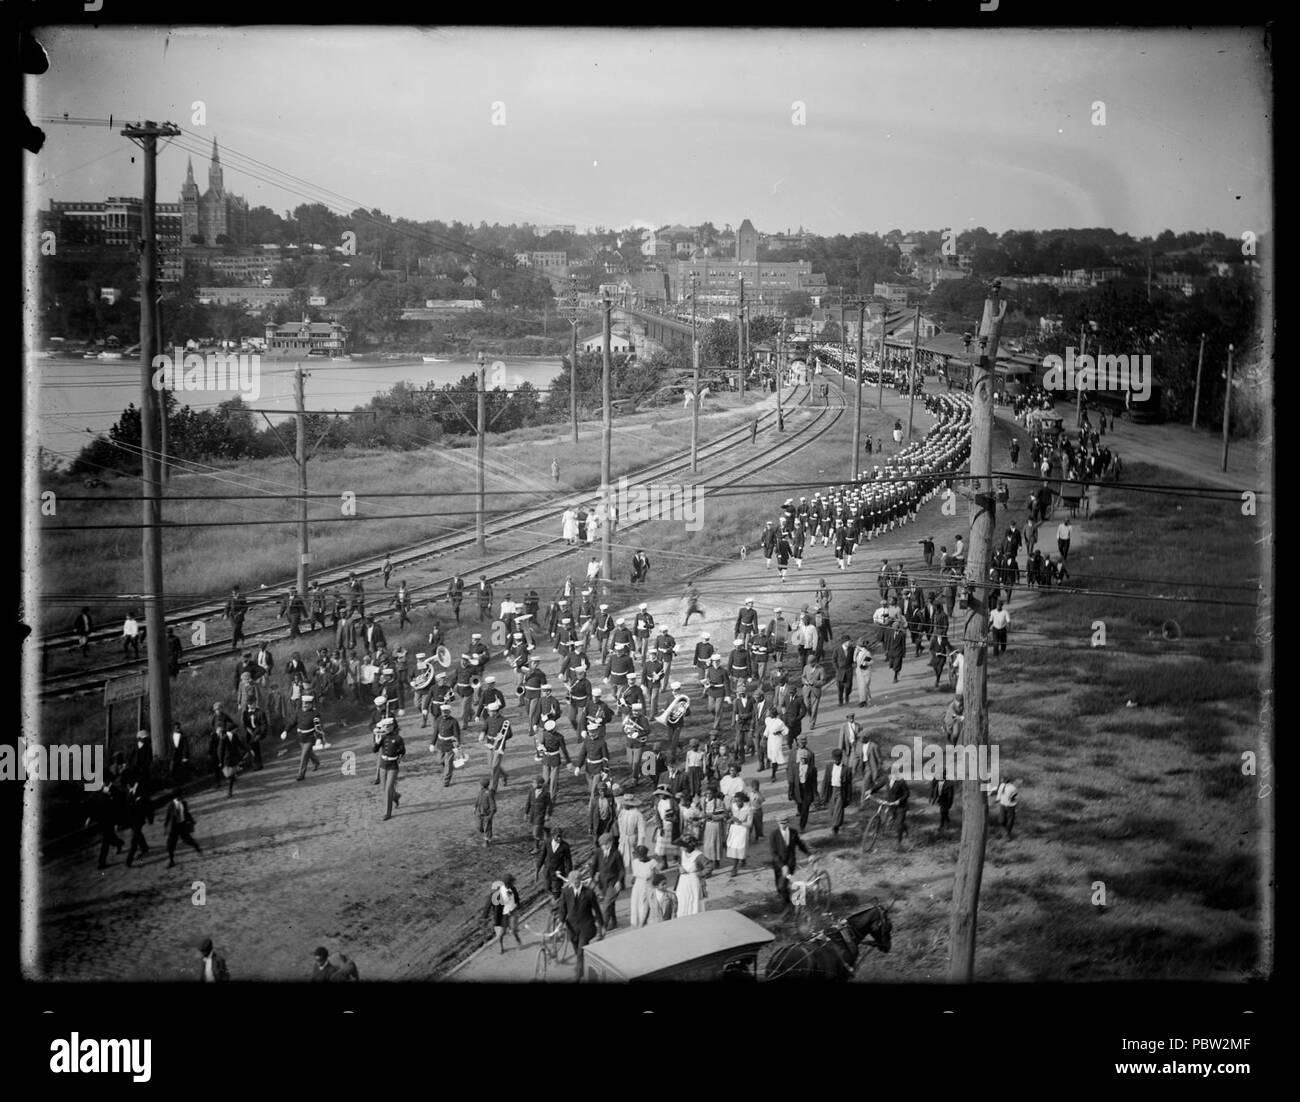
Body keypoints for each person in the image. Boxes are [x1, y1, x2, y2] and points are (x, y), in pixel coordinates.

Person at [557, 869, 605, 980]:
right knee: (577, 950)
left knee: (580, 952)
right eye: (571, 882)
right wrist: (561, 922)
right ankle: (583, 967)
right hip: (572, 927)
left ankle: (578, 976)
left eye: (575, 881)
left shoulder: (589, 893)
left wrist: (601, 926)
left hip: (586, 926)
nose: (573, 884)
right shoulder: (566, 892)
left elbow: (596, 910)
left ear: (580, 881)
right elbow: (563, 909)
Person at [770, 813, 810, 907]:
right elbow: (773, 853)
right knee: (779, 888)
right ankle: (787, 901)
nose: (783, 825)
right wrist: (782, 866)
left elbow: (800, 845)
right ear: (778, 823)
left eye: (785, 823)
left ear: (788, 822)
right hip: (778, 865)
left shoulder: (793, 832)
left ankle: (788, 905)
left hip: (790, 863)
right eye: (781, 823)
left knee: (782, 886)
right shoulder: (773, 835)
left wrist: (809, 854)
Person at [591, 831, 625, 928]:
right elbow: (593, 866)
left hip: (613, 883)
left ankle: (603, 925)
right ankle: (614, 921)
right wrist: (591, 877)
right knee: (610, 902)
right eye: (602, 845)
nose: (603, 847)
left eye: (605, 844)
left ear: (610, 842)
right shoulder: (598, 852)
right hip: (602, 883)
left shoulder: (616, 853)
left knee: (606, 903)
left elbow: (622, 870)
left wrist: (619, 881)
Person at [373, 717, 405, 820]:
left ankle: (387, 813)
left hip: (392, 766)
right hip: (383, 765)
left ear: (392, 727)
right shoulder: (382, 737)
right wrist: (377, 743)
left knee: (388, 789)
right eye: (385, 726)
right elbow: (374, 750)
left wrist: (399, 757)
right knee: (384, 789)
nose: (386, 728)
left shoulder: (398, 738)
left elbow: (402, 751)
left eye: (388, 726)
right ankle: (395, 796)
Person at [484, 875, 523, 953]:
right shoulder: (496, 894)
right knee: (501, 933)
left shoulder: (513, 889)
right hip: (502, 915)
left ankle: (517, 940)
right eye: (512, 882)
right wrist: (484, 916)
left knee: (513, 929)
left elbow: (517, 898)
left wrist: (518, 905)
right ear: (507, 884)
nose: (514, 884)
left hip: (513, 911)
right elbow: (488, 904)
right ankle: (500, 946)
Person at [820, 748, 853, 836]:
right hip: (832, 790)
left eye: (838, 759)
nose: (836, 761)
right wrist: (823, 793)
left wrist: (849, 797)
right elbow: (826, 780)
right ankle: (835, 823)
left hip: (841, 791)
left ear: (841, 758)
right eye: (834, 759)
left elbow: (849, 785)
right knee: (832, 809)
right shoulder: (829, 766)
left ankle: (835, 827)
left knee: (838, 809)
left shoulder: (846, 769)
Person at [163, 793, 201, 868]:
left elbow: (186, 813)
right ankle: (171, 861)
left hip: (182, 826)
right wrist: (166, 826)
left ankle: (196, 846)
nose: (182, 797)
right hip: (174, 828)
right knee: (171, 844)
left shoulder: (184, 803)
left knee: (187, 840)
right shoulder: (171, 805)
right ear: (176, 797)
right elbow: (168, 816)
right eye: (181, 796)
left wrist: (191, 820)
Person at [537, 827, 573, 898]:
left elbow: (568, 861)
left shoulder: (565, 846)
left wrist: (569, 874)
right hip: (547, 871)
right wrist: (538, 868)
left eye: (561, 836)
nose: (559, 839)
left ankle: (558, 902)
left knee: (556, 891)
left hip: (558, 872)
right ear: (553, 836)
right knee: (547, 888)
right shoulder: (547, 843)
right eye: (558, 836)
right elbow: (542, 856)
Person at [628, 845, 657, 927]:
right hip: (637, 885)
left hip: (647, 884)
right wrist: (633, 879)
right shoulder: (635, 862)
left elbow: (656, 874)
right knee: (635, 902)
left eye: (640, 855)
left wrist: (653, 884)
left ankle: (642, 921)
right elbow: (635, 874)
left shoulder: (652, 862)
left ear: (645, 854)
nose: (639, 857)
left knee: (643, 904)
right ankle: (634, 922)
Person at [725, 791, 752, 877]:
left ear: (743, 801)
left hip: (743, 830)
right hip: (734, 830)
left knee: (740, 848)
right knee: (734, 848)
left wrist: (740, 822)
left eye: (739, 801)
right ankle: (740, 860)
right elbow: (730, 816)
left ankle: (734, 868)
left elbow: (749, 824)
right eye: (736, 801)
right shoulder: (733, 806)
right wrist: (730, 820)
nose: (737, 803)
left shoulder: (748, 809)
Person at [524, 776, 552, 854]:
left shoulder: (546, 793)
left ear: (540, 784)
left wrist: (548, 814)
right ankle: (546, 830)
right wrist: (526, 813)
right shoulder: (531, 791)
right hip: (533, 814)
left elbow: (549, 805)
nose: (532, 784)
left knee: (535, 832)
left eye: (534, 783)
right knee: (537, 828)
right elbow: (528, 802)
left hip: (541, 814)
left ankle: (537, 847)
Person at [475, 777, 497, 846]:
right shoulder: (481, 791)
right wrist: (475, 807)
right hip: (480, 813)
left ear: (482, 785)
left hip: (487, 814)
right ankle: (486, 834)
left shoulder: (489, 793)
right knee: (479, 827)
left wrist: (491, 815)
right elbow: (478, 799)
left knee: (487, 828)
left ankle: (486, 841)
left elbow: (493, 805)